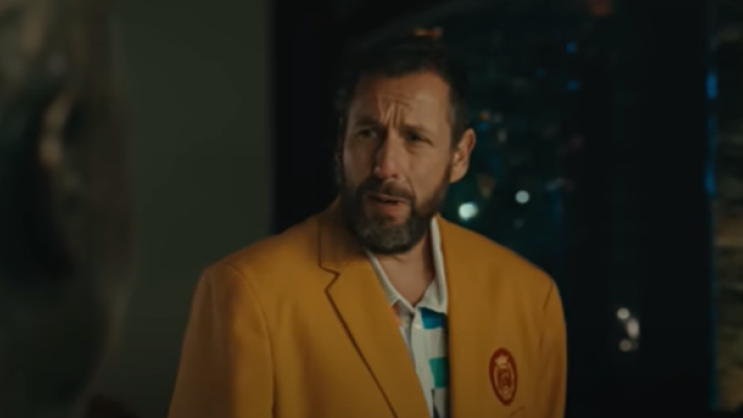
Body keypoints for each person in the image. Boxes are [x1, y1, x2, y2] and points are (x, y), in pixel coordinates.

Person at [168, 34, 566, 418]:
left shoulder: (531, 299)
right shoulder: (248, 294)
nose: (385, 166)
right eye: (367, 133)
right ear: (341, 142)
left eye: (414, 138)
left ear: (459, 156)